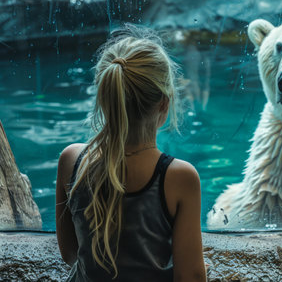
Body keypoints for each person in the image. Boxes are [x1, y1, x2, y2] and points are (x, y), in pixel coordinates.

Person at [55, 24, 206, 281]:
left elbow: (70, 253)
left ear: (104, 98)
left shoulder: (72, 161)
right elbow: (189, 277)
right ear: (165, 103)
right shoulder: (179, 177)